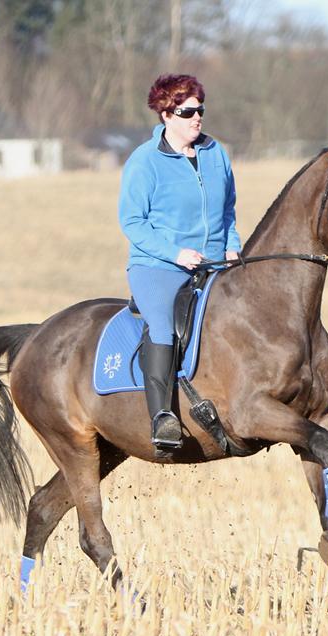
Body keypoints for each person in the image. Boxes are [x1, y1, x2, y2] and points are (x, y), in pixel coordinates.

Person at [118, 74, 240, 452]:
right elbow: (132, 222)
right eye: (188, 111)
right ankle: (162, 417)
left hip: (215, 264)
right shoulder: (144, 161)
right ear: (166, 114)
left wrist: (232, 247)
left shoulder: (215, 152)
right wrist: (175, 253)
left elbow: (228, 209)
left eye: (200, 109)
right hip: (159, 267)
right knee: (163, 325)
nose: (197, 117)